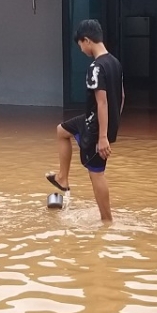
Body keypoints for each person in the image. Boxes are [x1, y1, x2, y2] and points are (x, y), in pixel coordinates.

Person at [46, 20, 124, 223]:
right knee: (62, 131)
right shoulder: (115, 62)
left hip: (96, 127)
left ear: (87, 40)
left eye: (80, 45)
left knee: (96, 174)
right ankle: (62, 178)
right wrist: (115, 122)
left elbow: (102, 101)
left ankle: (107, 221)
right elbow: (122, 96)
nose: (81, 50)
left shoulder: (96, 67)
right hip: (95, 120)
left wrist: (103, 136)